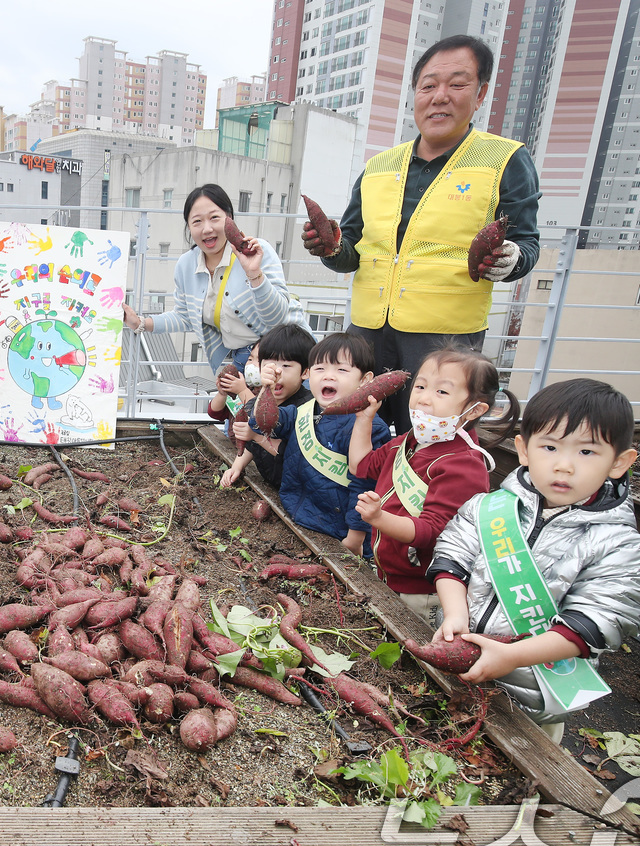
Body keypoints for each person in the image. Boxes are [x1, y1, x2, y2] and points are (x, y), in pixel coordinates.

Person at [303, 35, 541, 433]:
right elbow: (353, 251)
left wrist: (509, 259)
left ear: (480, 94)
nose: (440, 96)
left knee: (432, 431)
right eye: (429, 86)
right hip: (368, 329)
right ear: (415, 95)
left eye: (457, 84)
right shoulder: (380, 166)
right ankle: (362, 496)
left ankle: (422, 495)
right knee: (358, 426)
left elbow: (528, 244)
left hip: (445, 337)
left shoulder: (504, 159)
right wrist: (329, 248)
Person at [426, 379, 640, 742]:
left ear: (619, 462)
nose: (563, 466)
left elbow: (599, 621)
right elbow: (452, 556)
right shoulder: (489, 507)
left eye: (587, 452)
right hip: (455, 662)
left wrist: (512, 657)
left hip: (534, 693)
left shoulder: (619, 545)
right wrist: (455, 614)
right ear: (524, 450)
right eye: (549, 447)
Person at [348, 346, 519, 621]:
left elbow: (433, 532)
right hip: (386, 574)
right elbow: (360, 465)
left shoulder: (464, 464)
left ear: (475, 409)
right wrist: (364, 419)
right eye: (420, 386)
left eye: (442, 392)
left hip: (422, 592)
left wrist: (379, 518)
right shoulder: (408, 441)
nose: (424, 399)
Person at [124, 184, 307, 374]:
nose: (207, 229)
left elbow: (277, 319)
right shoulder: (186, 265)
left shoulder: (256, 251)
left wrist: (254, 274)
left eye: (214, 218)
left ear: (230, 219)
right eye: (197, 222)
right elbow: (185, 316)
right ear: (188, 226)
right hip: (246, 357)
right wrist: (141, 323)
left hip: (289, 354)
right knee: (224, 402)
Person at [267, 332, 390, 556]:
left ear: (365, 379)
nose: (328, 376)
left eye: (341, 370)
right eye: (320, 368)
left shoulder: (370, 427)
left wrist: (355, 536)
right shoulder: (303, 410)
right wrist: (266, 390)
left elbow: (366, 486)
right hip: (301, 515)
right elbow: (264, 425)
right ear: (308, 374)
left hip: (341, 531)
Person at [219, 323, 316, 489]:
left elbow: (295, 455)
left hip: (294, 490)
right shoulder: (257, 402)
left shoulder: (308, 409)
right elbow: (250, 444)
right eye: (269, 365)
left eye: (286, 366)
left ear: (305, 372)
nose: (276, 372)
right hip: (270, 482)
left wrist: (257, 436)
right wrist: (236, 467)